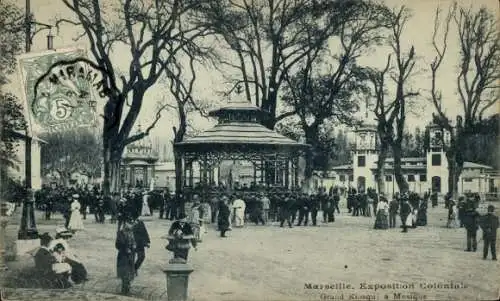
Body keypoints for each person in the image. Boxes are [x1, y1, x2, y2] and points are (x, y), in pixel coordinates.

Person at [116, 217, 136, 295]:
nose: (131, 225)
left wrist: (134, 245)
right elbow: (118, 245)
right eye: (129, 223)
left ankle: (127, 290)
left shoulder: (132, 232)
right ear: (125, 224)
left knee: (130, 273)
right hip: (123, 256)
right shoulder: (121, 233)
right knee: (125, 273)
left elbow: (134, 241)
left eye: (132, 223)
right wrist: (125, 248)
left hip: (131, 255)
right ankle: (124, 291)